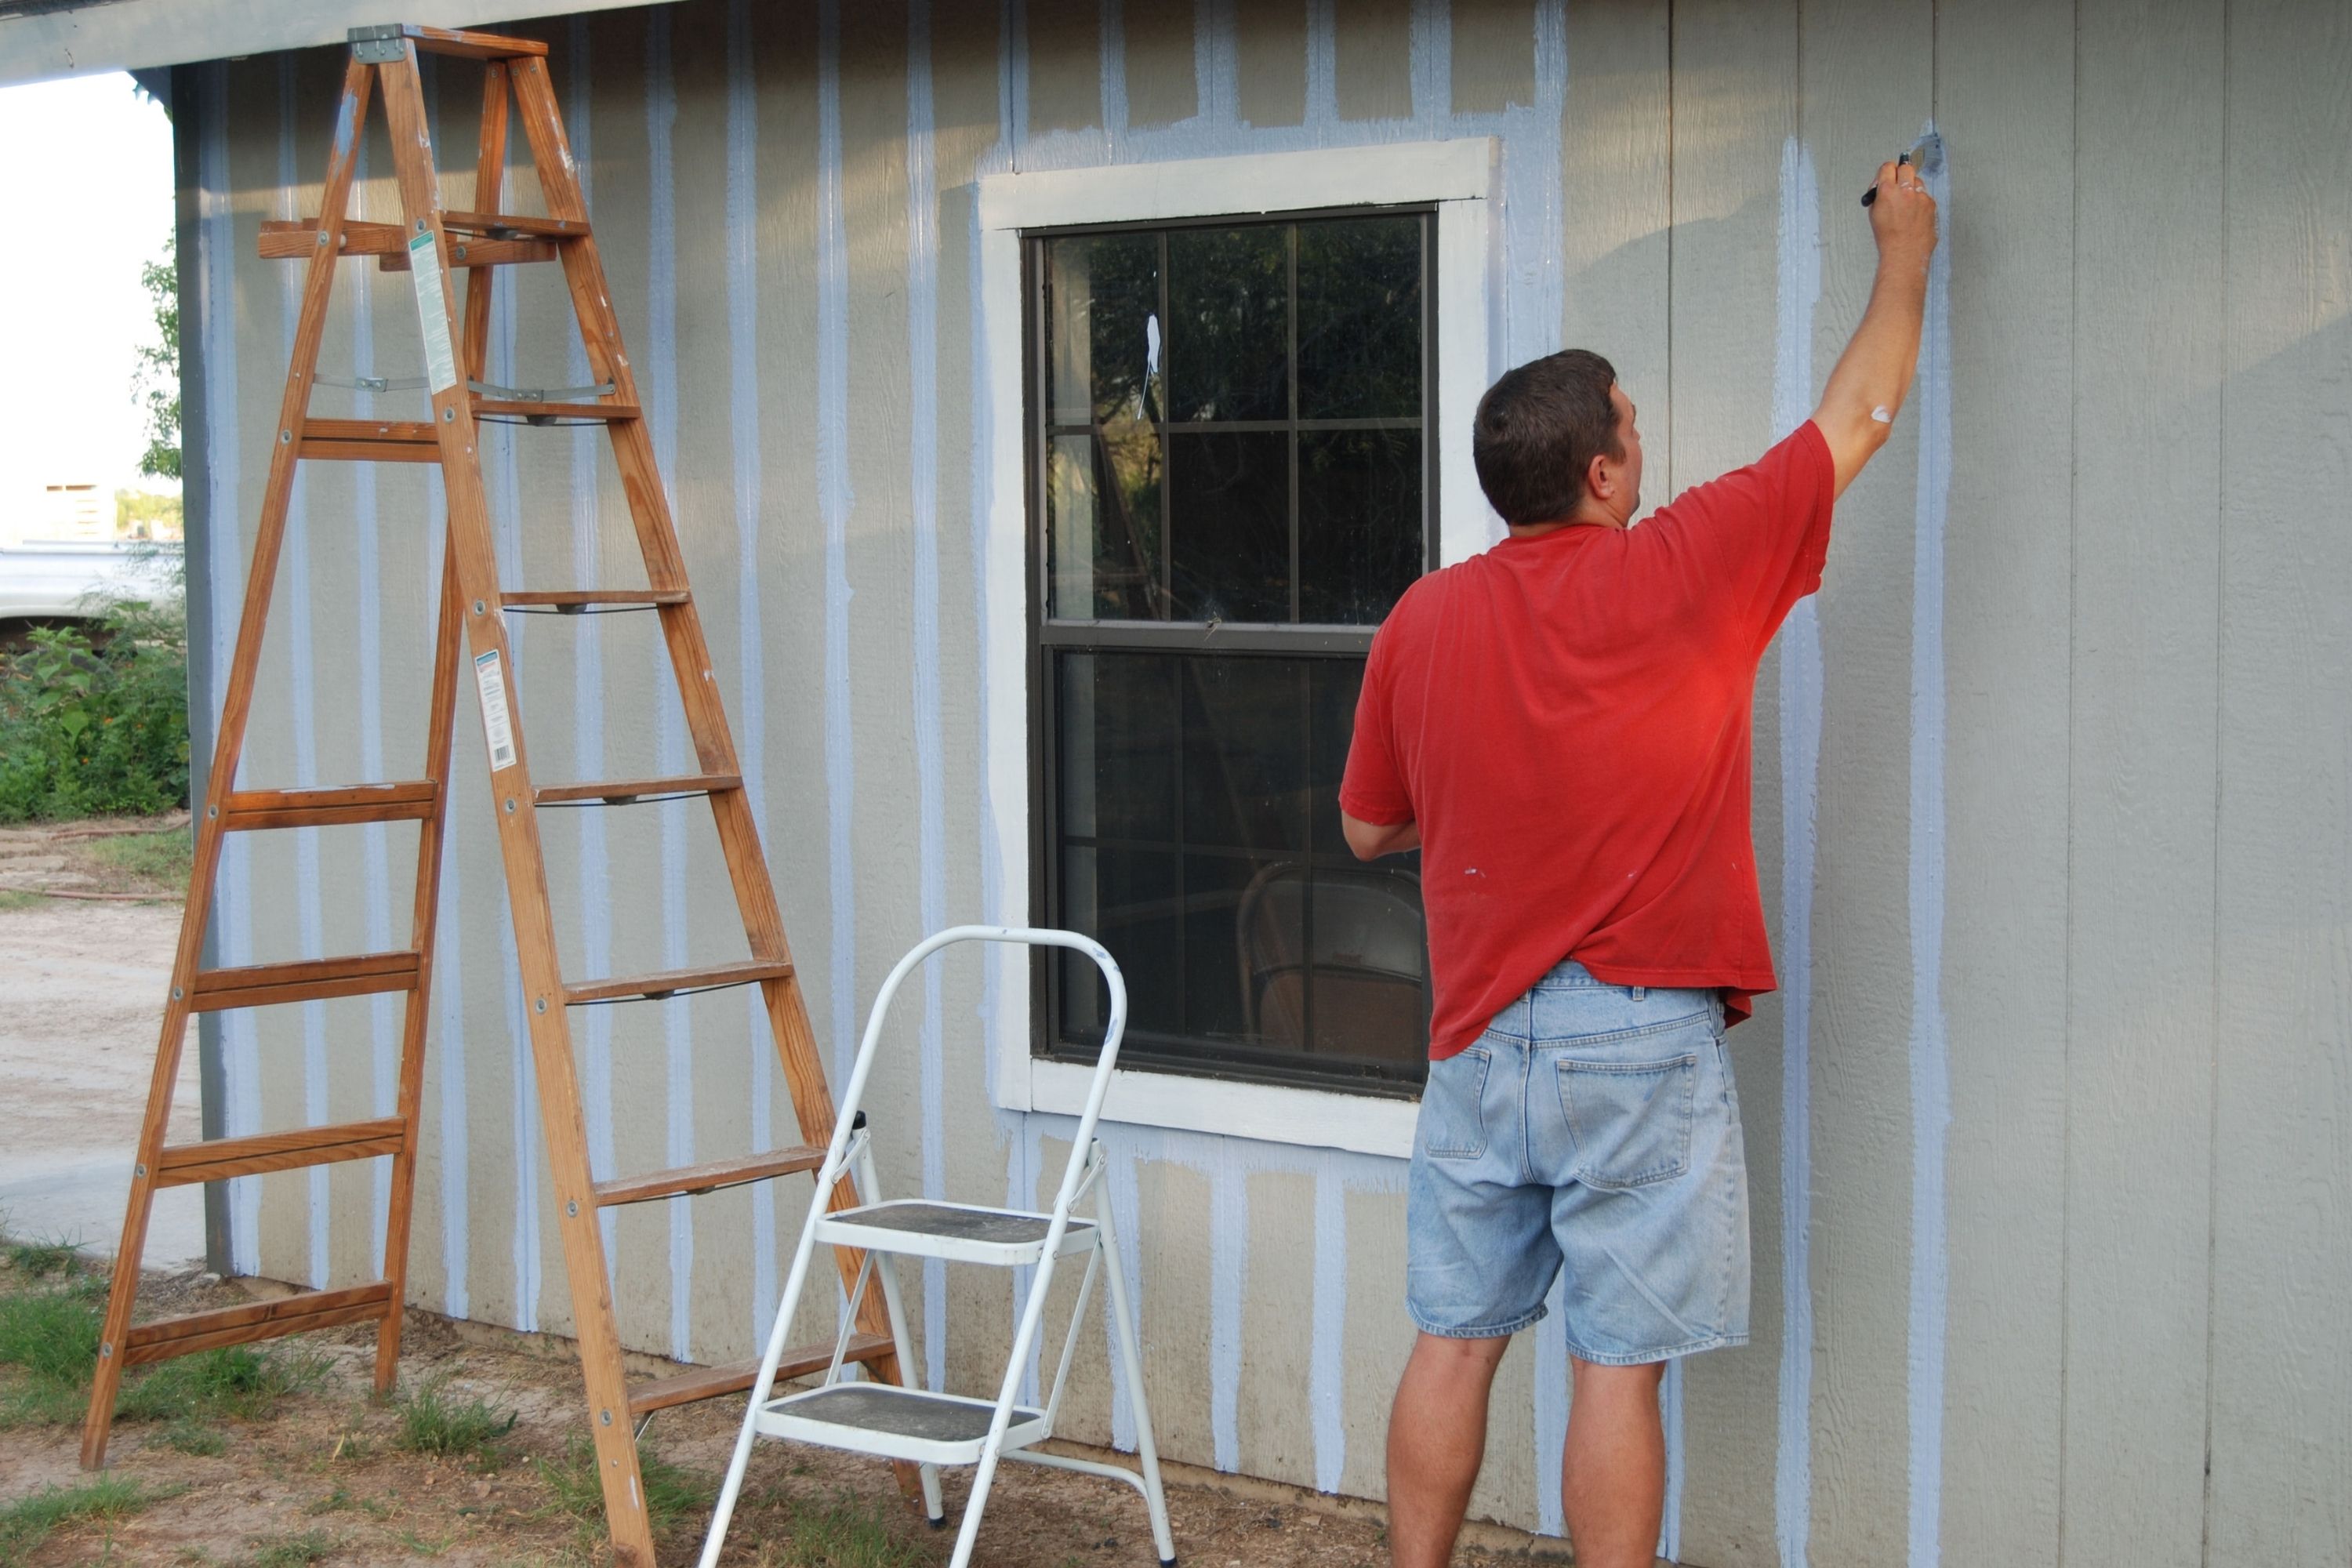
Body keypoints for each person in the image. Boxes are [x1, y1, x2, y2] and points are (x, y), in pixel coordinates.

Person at [1338, 158, 1939, 1568]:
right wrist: (1905, 247)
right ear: (1602, 471)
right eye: (1633, 425)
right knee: (1617, 1368)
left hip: (1480, 1038)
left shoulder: (1423, 620)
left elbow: (1370, 828)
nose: (1644, 443)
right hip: (1634, 1031)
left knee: (1456, 1340)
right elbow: (1860, 415)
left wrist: (1499, 799)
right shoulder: (1688, 565)